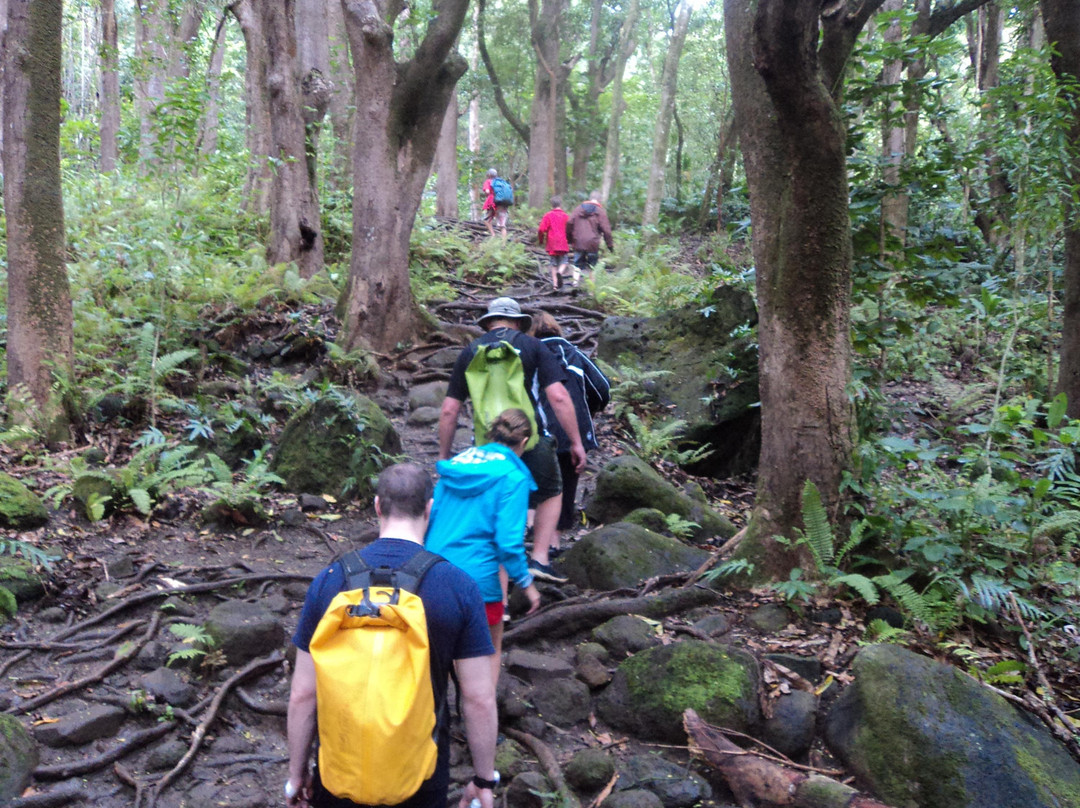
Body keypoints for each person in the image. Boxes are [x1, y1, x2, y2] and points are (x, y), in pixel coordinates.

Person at [286, 463, 499, 808]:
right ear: (430, 508)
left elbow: (302, 694)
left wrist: (296, 774)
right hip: (420, 779)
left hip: (337, 778)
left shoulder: (328, 581)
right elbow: (478, 698)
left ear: (377, 507)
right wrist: (483, 779)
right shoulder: (458, 586)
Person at [438, 297, 586, 585]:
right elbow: (558, 397)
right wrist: (576, 441)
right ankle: (540, 559)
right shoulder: (534, 347)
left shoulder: (470, 351)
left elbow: (449, 410)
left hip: (487, 445)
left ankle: (493, 573)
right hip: (530, 439)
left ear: (488, 323)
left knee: (491, 500)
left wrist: (444, 454)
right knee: (551, 491)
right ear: (519, 322)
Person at [426, 409, 542, 684]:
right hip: (478, 583)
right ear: (523, 442)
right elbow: (508, 543)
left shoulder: (457, 466)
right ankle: (480, 719)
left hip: (432, 573)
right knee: (489, 651)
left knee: (433, 655)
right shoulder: (513, 477)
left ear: (492, 433)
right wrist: (527, 584)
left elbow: (432, 517)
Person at [531, 313, 611, 537]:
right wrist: (587, 411)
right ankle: (555, 541)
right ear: (557, 329)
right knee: (566, 484)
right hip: (572, 432)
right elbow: (602, 388)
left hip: (537, 432)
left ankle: (532, 535)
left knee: (535, 482)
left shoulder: (527, 355)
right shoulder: (574, 354)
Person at [566, 191, 614, 286]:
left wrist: (570, 239)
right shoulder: (600, 212)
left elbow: (569, 223)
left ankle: (575, 284)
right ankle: (592, 289)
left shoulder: (578, 209)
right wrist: (610, 245)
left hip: (578, 241)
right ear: (599, 200)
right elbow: (607, 230)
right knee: (593, 266)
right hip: (593, 243)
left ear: (590, 198)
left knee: (577, 264)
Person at [537, 196, 570, 289]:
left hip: (552, 243)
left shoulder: (548, 215)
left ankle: (555, 285)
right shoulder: (566, 216)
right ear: (560, 204)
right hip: (563, 242)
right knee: (564, 261)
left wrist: (540, 240)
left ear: (552, 205)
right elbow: (570, 230)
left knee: (553, 264)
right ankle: (561, 271)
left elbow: (541, 229)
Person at [481, 168, 509, 239]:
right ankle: (503, 244)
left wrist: (488, 194)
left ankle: (493, 235)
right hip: (503, 203)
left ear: (489, 175)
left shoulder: (488, 181)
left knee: (486, 219)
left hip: (492, 203)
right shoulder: (501, 182)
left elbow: (487, 191)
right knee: (502, 225)